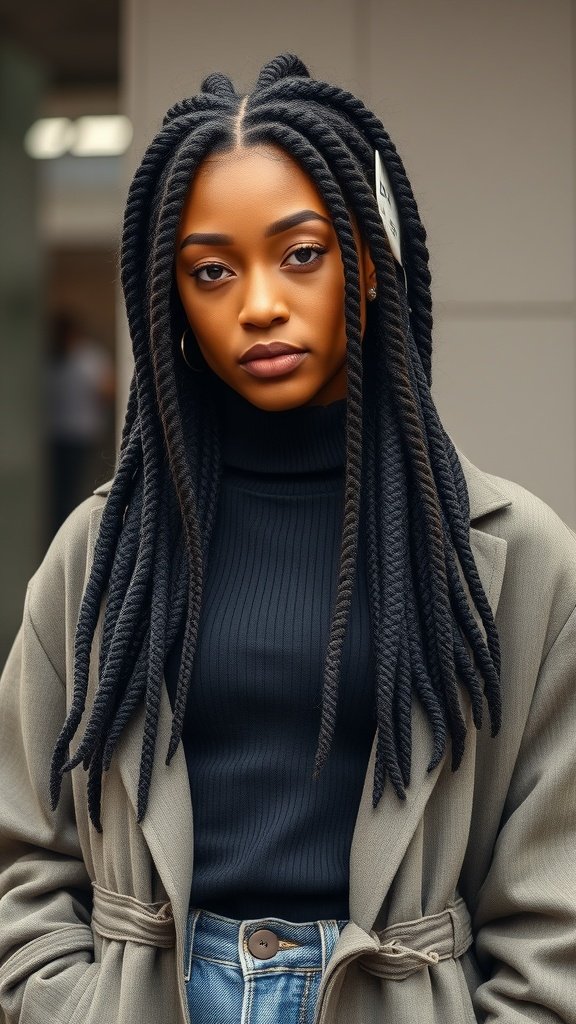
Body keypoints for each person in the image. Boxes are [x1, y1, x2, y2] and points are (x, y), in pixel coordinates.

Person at [0, 53, 574, 1024]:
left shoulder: (518, 554)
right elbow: (25, 848)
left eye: (300, 253)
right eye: (212, 270)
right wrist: (68, 1003)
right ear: (170, 296)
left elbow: (556, 895)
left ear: (370, 260)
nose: (258, 302)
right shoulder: (102, 555)